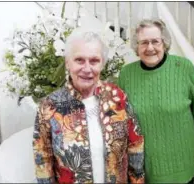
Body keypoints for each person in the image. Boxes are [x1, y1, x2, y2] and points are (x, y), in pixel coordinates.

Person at [32, 30, 145, 183]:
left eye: (94, 61)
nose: (87, 68)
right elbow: (43, 160)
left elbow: (135, 146)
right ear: (67, 62)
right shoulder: (50, 106)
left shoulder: (117, 97)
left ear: (102, 64)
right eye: (79, 60)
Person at [118, 19, 194, 183]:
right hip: (144, 166)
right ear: (136, 47)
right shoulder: (126, 74)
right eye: (144, 42)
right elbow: (121, 120)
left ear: (165, 43)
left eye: (155, 41)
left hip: (182, 163)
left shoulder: (184, 67)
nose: (150, 48)